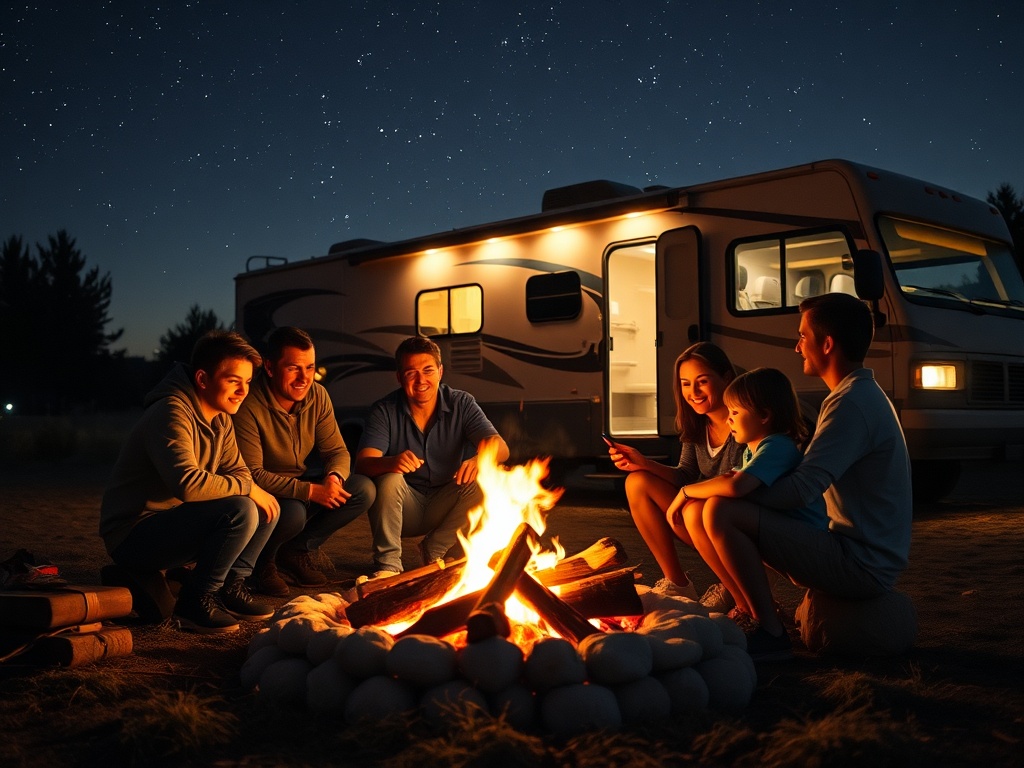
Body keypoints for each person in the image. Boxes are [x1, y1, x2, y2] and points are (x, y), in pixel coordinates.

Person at [702, 292, 912, 661]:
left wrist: (735, 490)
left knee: (721, 512)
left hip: (861, 563)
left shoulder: (851, 403)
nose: (797, 346)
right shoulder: (857, 395)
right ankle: (756, 614)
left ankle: (769, 631)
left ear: (827, 344)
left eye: (802, 336)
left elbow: (801, 490)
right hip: (859, 551)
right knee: (719, 507)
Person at [99, 331, 281, 634]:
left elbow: (239, 472)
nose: (242, 391)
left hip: (174, 523)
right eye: (233, 380)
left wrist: (251, 488)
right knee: (242, 507)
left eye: (247, 382)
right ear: (202, 378)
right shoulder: (171, 412)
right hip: (132, 533)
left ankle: (229, 586)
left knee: (266, 505)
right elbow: (188, 483)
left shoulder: (220, 418)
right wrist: (249, 488)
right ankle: (196, 601)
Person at [667, 367, 827, 620]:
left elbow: (735, 486)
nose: (728, 419)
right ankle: (745, 605)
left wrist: (685, 492)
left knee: (715, 507)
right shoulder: (754, 450)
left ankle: (762, 617)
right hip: (777, 530)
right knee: (696, 511)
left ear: (764, 415)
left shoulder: (777, 447)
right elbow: (728, 479)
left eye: (735, 412)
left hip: (801, 539)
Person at [233, 326, 375, 594]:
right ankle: (263, 563)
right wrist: (310, 491)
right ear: (271, 367)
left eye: (310, 367)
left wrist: (334, 477)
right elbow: (252, 473)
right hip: (261, 494)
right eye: (294, 368)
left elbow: (338, 451)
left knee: (362, 489)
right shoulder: (249, 404)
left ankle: (296, 550)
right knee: (293, 513)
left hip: (297, 486)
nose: (304, 378)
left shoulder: (317, 395)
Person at [354, 336, 510, 577]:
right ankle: (388, 566)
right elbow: (363, 463)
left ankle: (434, 549)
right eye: (411, 373)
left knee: (489, 476)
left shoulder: (461, 402)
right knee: (389, 478)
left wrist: (480, 459)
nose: (421, 380)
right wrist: (391, 462)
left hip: (445, 503)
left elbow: (501, 447)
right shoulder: (384, 410)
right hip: (403, 508)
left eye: (428, 370)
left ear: (440, 371)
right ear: (399, 377)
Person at [608, 342, 745, 600]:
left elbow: (742, 482)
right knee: (637, 482)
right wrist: (643, 463)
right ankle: (678, 584)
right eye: (685, 383)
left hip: (735, 520)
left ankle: (739, 593)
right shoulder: (696, 426)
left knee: (696, 509)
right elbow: (684, 474)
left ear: (726, 377)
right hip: (703, 517)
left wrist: (686, 495)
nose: (693, 392)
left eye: (702, 381)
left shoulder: (743, 423)